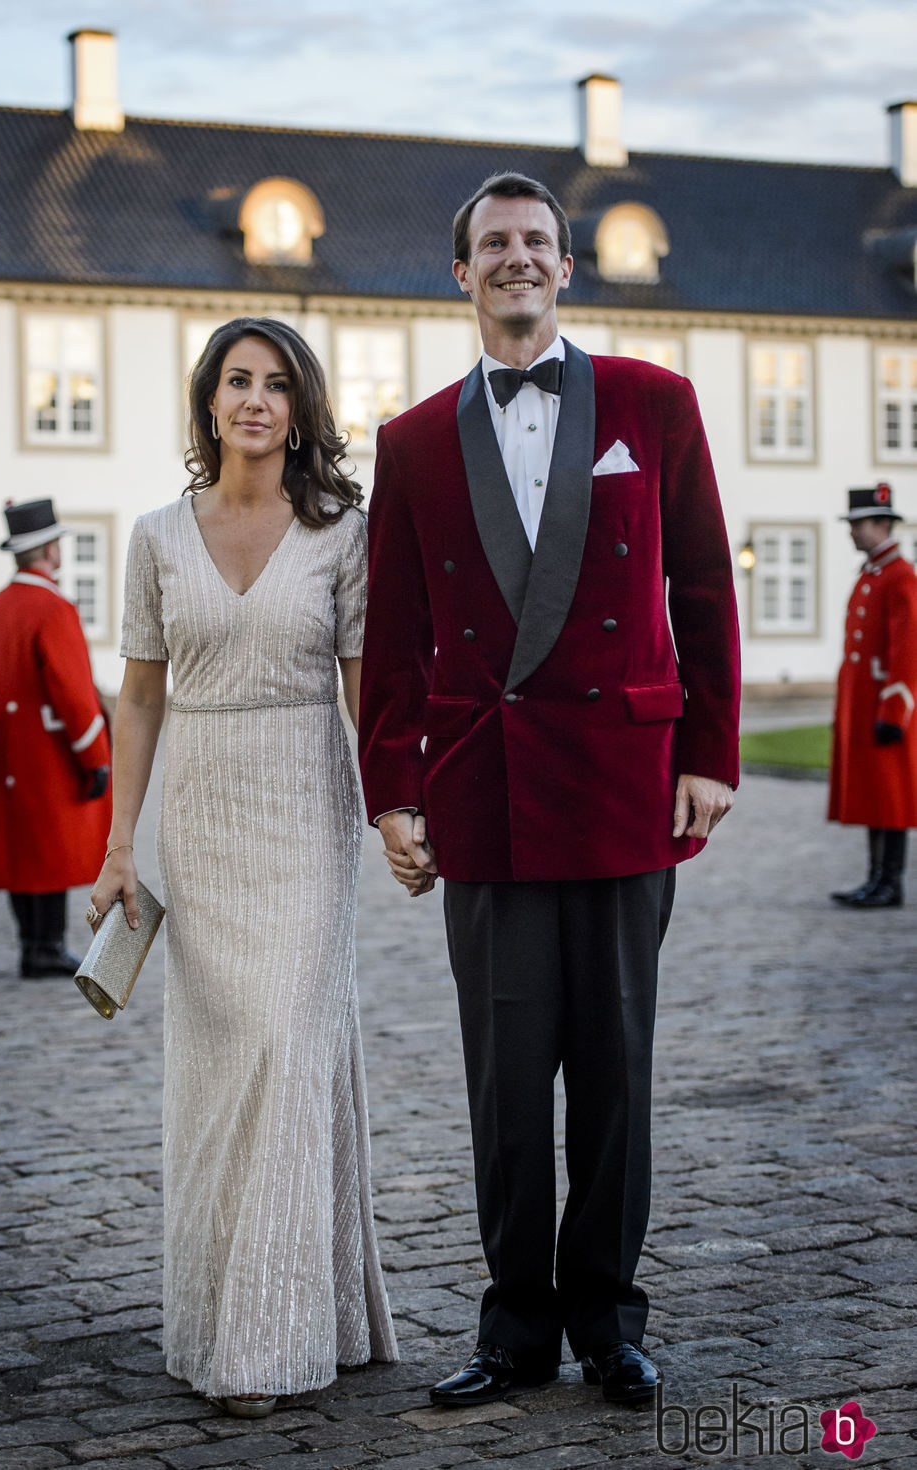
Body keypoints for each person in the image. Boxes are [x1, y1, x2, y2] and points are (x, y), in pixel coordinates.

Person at [358, 173, 740, 1408]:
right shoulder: (411, 443)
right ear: (457, 273)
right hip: (489, 793)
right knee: (507, 1083)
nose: (516, 259)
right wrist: (391, 791)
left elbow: (701, 595)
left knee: (615, 1077)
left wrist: (710, 755)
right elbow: (400, 634)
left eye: (536, 242)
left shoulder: (655, 404)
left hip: (625, 785)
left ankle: (608, 1322)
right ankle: (515, 1325)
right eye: (492, 245)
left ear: (564, 268)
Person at [89, 317, 397, 1417]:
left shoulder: (341, 534)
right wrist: (122, 842)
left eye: (276, 385)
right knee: (224, 1072)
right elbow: (138, 695)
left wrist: (394, 805)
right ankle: (253, 1304)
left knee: (281, 1040)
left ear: (301, 408)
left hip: (307, 810)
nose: (256, 400)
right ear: (208, 402)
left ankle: (266, 1342)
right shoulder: (155, 536)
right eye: (237, 381)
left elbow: (365, 687)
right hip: (204, 818)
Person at [0, 498, 111, 978]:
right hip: (49, 753)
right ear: (49, 550)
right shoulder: (53, 608)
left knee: (23, 851)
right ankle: (48, 947)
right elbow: (74, 694)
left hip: (8, 751)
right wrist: (95, 756)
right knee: (50, 851)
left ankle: (31, 944)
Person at [829, 483, 917, 908]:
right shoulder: (871, 575)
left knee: (891, 798)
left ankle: (890, 882)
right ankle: (874, 878)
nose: (852, 532)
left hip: (887, 709)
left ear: (881, 524)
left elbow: (907, 654)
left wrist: (895, 711)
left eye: (857, 524)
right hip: (864, 706)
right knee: (874, 795)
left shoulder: (900, 577)